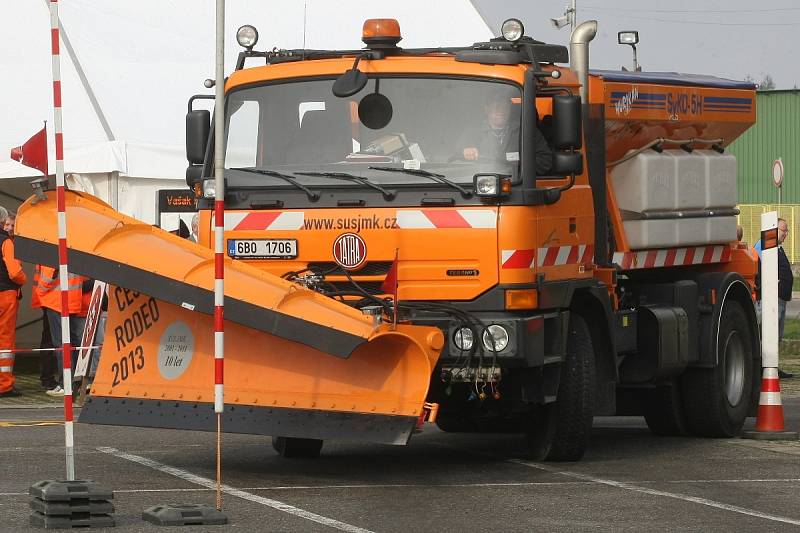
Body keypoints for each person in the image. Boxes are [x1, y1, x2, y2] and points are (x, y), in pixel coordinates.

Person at [459, 95, 553, 175]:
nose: (501, 110)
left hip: (517, 186)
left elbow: (546, 161)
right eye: (496, 106)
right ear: (486, 109)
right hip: (481, 187)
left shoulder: (527, 131)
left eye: (505, 106)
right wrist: (464, 152)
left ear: (510, 109)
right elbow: (451, 157)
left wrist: (517, 164)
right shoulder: (472, 132)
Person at [32, 264, 87, 396]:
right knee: (72, 344)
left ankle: (66, 385)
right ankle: (75, 383)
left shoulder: (50, 248)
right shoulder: (72, 249)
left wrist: (39, 293)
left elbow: (47, 275)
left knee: (61, 345)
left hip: (56, 302)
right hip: (72, 301)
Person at [754, 217, 794, 379]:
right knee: (769, 334)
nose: (786, 234)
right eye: (784, 230)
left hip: (780, 298)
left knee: (776, 335)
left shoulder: (777, 247)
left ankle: (773, 367)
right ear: (775, 230)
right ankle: (766, 367)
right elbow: (760, 269)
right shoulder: (764, 245)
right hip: (771, 298)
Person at [0, 214, 27, 397]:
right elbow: (15, 272)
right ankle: (4, 385)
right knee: (4, 341)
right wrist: (23, 280)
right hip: (5, 295)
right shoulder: (6, 242)